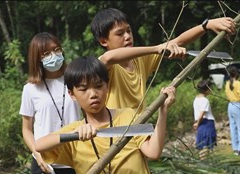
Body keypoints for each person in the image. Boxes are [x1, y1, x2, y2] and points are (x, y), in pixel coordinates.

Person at [35, 56, 176, 174]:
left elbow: (153, 152)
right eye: (83, 89)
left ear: (107, 86)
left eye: (98, 86)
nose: (93, 94)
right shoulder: (75, 134)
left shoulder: (128, 117)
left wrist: (163, 112)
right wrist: (74, 133)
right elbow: (39, 146)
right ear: (72, 94)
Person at [91, 8, 236, 112]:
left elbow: (177, 42)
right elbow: (108, 57)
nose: (128, 36)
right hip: (115, 140)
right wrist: (157, 48)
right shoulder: (104, 66)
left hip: (139, 135)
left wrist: (206, 26)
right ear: (104, 41)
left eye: (128, 31)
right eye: (120, 34)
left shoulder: (140, 60)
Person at [19, 32, 87, 174]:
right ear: (37, 58)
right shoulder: (30, 89)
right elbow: (26, 129)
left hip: (77, 159)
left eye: (57, 50)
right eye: (46, 53)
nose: (54, 56)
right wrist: (37, 154)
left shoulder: (75, 79)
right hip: (46, 165)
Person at [193, 79, 217, 159]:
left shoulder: (196, 99)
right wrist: (198, 123)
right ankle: (206, 162)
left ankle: (203, 161)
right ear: (207, 89)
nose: (211, 90)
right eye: (210, 88)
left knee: (202, 143)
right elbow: (202, 113)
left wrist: (197, 123)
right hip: (206, 123)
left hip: (201, 124)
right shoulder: (205, 100)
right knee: (207, 144)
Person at [225, 66, 240, 156]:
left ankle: (235, 149)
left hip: (230, 105)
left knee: (233, 127)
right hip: (237, 105)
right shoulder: (238, 83)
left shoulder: (227, 83)